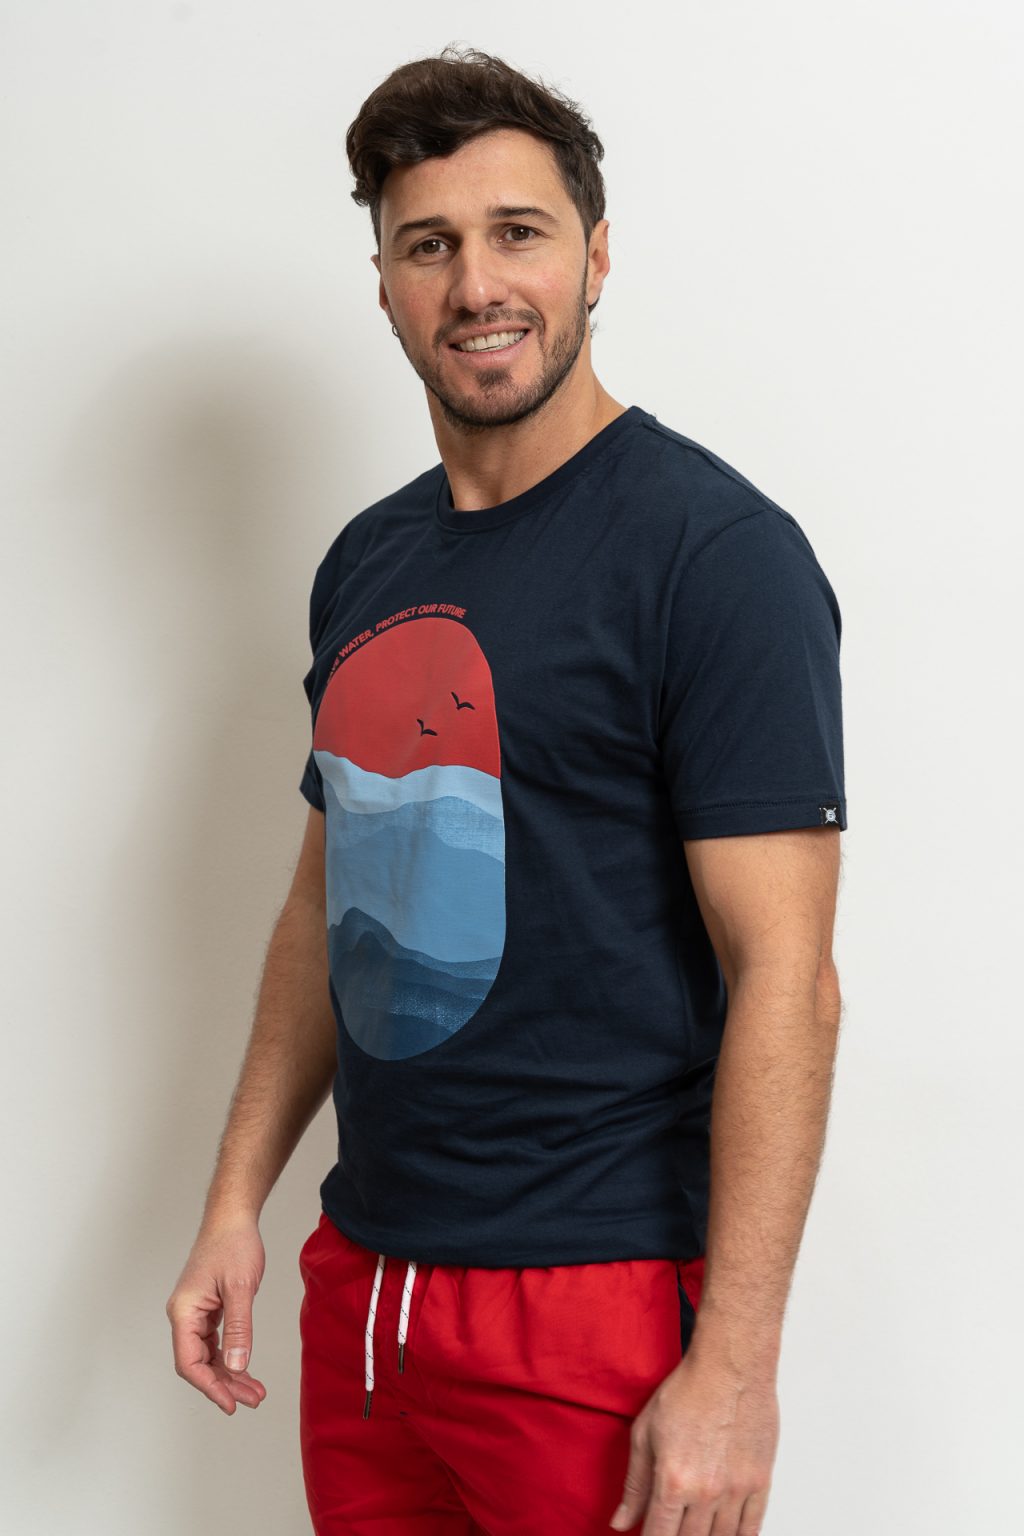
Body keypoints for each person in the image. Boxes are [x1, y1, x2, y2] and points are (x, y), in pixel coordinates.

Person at [166, 43, 848, 1536]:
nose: (477, 283)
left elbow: (787, 978)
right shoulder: (369, 562)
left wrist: (736, 1368)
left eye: (517, 233)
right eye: (429, 244)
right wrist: (235, 1204)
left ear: (595, 256)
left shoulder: (714, 556)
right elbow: (327, 904)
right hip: (367, 1288)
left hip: (594, 1301)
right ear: (385, 284)